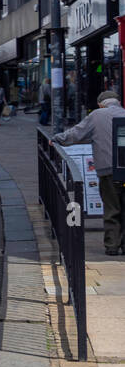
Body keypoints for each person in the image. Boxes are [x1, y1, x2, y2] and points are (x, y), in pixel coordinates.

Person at [53, 90, 125, 256]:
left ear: (101, 104)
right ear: (117, 102)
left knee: (112, 207)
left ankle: (112, 246)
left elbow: (76, 134)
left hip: (108, 171)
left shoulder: (97, 116)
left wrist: (57, 139)